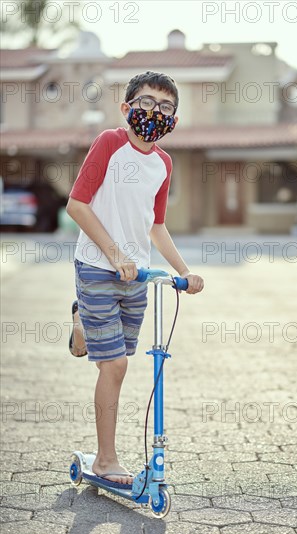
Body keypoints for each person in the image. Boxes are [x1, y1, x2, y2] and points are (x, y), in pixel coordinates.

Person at [66, 71, 204, 486]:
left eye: (165, 107)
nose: (154, 113)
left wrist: (184, 272)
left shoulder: (163, 162)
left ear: (174, 118)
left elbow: (156, 226)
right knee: (117, 366)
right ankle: (106, 459)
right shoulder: (110, 143)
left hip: (137, 277)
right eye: (145, 103)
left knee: (113, 361)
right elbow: (76, 204)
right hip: (96, 266)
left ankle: (81, 325)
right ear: (127, 107)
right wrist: (114, 254)